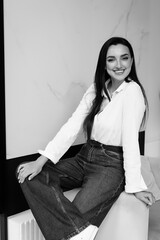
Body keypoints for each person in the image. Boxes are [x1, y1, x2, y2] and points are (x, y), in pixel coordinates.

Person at [17, 37, 155, 240]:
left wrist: (135, 186)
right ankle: (82, 232)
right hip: (84, 157)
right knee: (29, 175)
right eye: (111, 60)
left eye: (124, 58)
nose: (118, 65)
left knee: (73, 220)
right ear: (104, 63)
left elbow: (130, 142)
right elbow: (71, 126)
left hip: (111, 165)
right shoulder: (95, 89)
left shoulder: (132, 92)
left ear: (132, 61)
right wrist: (41, 161)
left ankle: (77, 232)